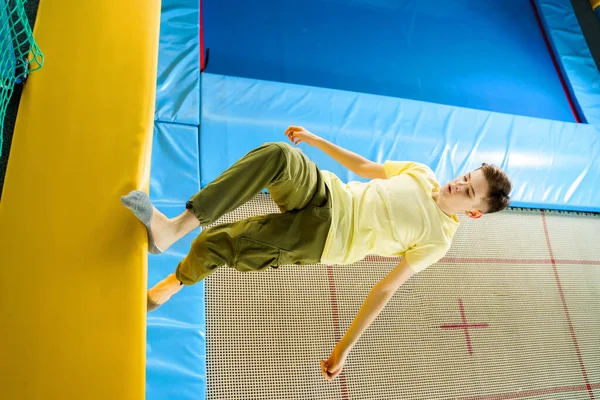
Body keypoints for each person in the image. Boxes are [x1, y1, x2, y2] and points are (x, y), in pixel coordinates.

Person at [121, 126, 512, 382]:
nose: (457, 186)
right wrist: (316, 140)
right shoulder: (422, 173)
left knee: (218, 244)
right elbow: (365, 166)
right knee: (278, 155)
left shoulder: (437, 240)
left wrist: (343, 349)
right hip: (326, 191)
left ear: (474, 212)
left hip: (324, 237)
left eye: (468, 192)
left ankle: (169, 286)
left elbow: (386, 289)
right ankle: (171, 229)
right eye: (464, 177)